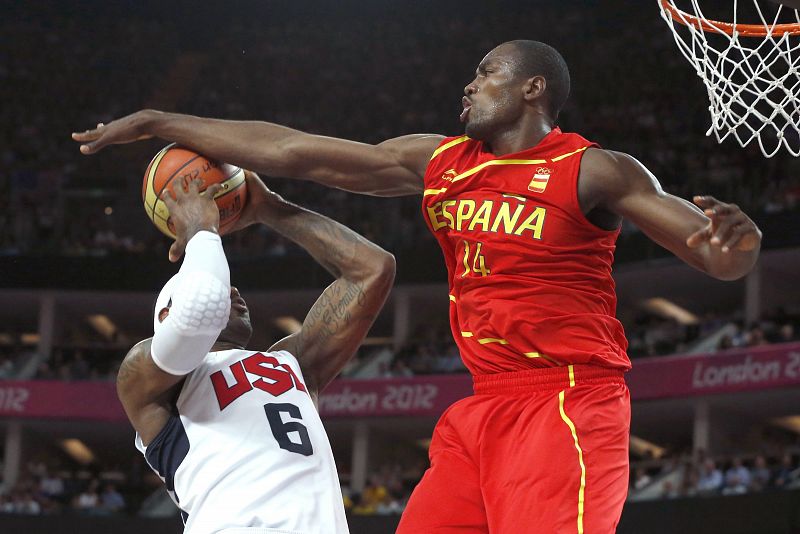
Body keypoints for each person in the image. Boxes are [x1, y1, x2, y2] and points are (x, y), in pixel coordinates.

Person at [74, 39, 761, 533]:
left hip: (566, 399)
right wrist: (163, 123)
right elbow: (294, 151)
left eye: (486, 73)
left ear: (533, 89)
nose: (469, 85)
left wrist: (738, 244)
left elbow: (714, 256)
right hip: (480, 408)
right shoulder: (442, 162)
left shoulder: (594, 170)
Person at [115, 174, 395, 533]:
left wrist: (271, 209)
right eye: (219, 285)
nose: (230, 290)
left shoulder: (291, 362)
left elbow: (373, 270)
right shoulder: (142, 378)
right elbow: (200, 308)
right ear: (166, 315)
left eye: (229, 286)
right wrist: (201, 229)